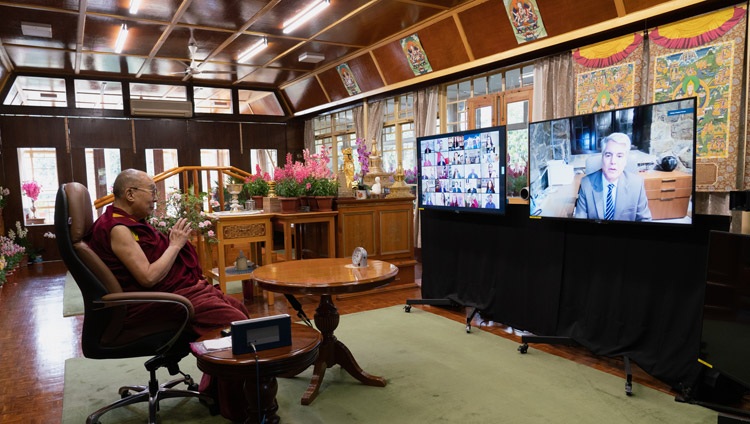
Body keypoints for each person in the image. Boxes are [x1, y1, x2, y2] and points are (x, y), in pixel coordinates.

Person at [84, 169, 251, 421]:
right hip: (164, 301)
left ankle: (215, 390)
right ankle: (237, 408)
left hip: (177, 292)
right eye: (151, 191)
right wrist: (175, 245)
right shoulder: (118, 229)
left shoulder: (126, 222)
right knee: (236, 328)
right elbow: (149, 277)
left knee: (239, 309)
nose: (155, 197)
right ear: (130, 194)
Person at [574, 133, 652, 221]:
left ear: (625, 160)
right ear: (602, 157)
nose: (613, 161)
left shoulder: (637, 184)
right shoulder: (586, 184)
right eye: (608, 155)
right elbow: (580, 222)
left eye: (619, 156)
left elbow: (645, 220)